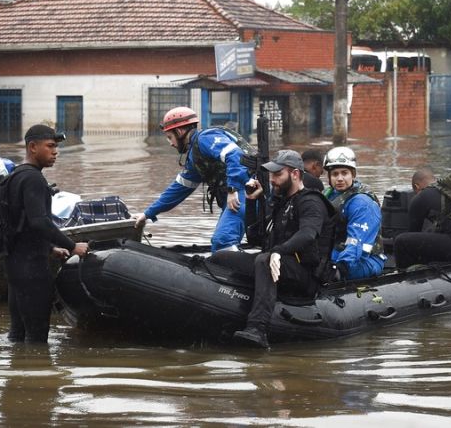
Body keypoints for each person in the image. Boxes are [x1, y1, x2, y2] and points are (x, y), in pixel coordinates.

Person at [232, 150, 333, 348]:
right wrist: (252, 202)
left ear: (295, 174)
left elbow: (308, 233)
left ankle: (257, 329)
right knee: (221, 257)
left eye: (278, 175)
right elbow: (254, 237)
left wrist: (278, 251)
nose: (272, 180)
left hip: (305, 274)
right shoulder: (280, 201)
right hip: (278, 265)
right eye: (271, 175)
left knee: (264, 260)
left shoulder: (311, 202)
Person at [5, 124, 89, 343]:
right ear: (33, 147)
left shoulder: (16, 175)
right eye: (50, 146)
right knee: (37, 341)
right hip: (32, 271)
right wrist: (73, 246)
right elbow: (40, 222)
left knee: (17, 336)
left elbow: (21, 224)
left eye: (56, 147)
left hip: (15, 267)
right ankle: (37, 375)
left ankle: (15, 376)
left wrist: (51, 248)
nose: (55, 152)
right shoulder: (33, 179)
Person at [133, 107, 252, 252]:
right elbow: (178, 189)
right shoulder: (195, 156)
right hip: (239, 194)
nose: (170, 143)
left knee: (223, 242)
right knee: (220, 243)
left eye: (170, 137)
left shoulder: (205, 139)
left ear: (180, 132)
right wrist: (147, 214)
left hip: (245, 192)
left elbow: (235, 155)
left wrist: (232, 189)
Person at [323, 146, 386, 280]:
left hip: (364, 260)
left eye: (344, 173)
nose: (339, 178)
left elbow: (356, 242)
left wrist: (339, 269)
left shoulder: (362, 203)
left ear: (353, 174)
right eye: (335, 174)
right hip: (335, 252)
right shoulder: (329, 195)